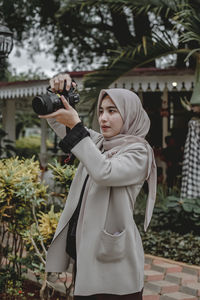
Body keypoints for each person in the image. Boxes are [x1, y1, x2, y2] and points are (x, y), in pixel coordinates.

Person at [40, 73, 157, 299]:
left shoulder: (139, 152)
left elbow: (105, 171)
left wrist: (76, 125)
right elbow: (55, 120)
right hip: (87, 255)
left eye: (112, 111)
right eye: (101, 111)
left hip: (116, 266)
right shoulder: (96, 142)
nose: (104, 117)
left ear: (130, 114)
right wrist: (57, 93)